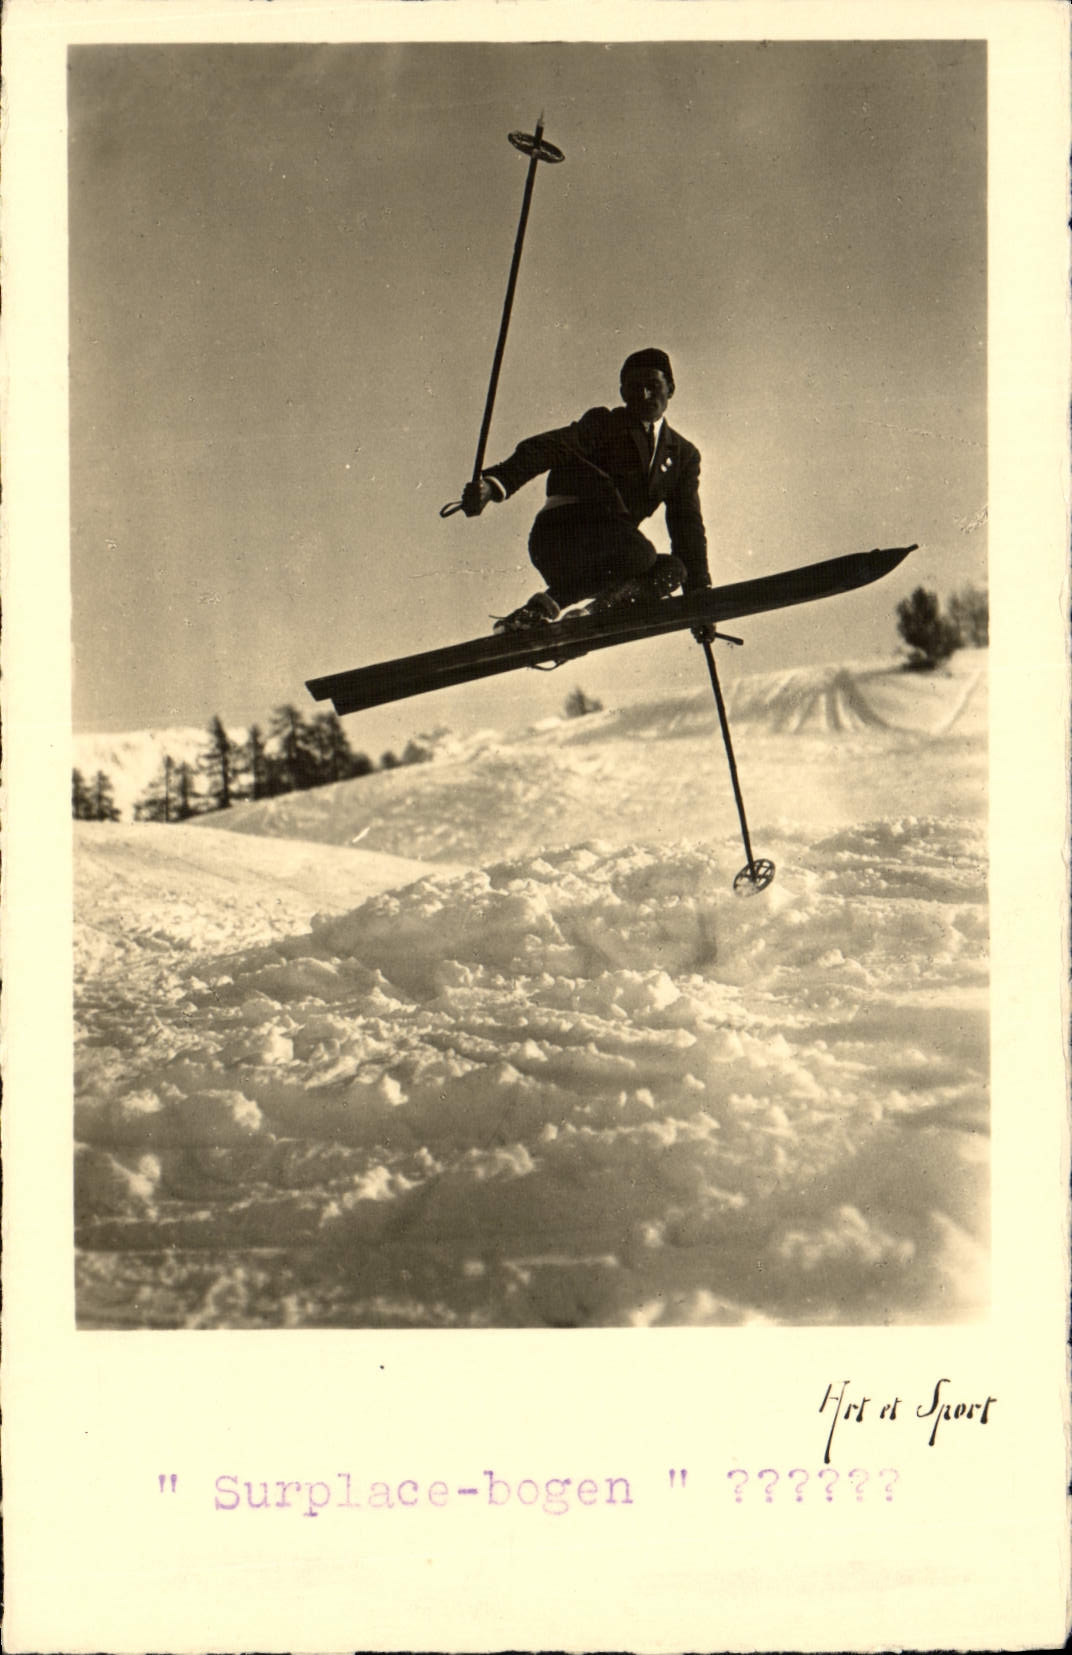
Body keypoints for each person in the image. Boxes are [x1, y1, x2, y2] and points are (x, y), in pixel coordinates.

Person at [460, 348, 712, 633]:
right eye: (634, 389)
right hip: (562, 537)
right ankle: (539, 609)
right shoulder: (604, 424)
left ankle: (589, 616)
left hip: (614, 558)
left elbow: (686, 526)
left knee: (673, 571)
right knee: (640, 553)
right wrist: (494, 485)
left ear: (671, 389)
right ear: (622, 393)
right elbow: (551, 446)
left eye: (652, 387)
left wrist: (700, 601)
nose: (644, 396)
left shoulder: (683, 456)